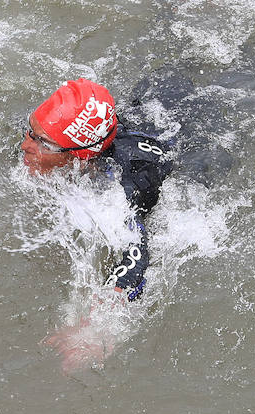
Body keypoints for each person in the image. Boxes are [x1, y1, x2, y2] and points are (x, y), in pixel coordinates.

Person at [19, 78, 173, 370]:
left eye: (43, 143)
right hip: (154, 96)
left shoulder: (121, 185)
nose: (25, 144)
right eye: (31, 131)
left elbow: (137, 254)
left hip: (198, 139)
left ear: (79, 156)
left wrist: (96, 329)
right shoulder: (66, 135)